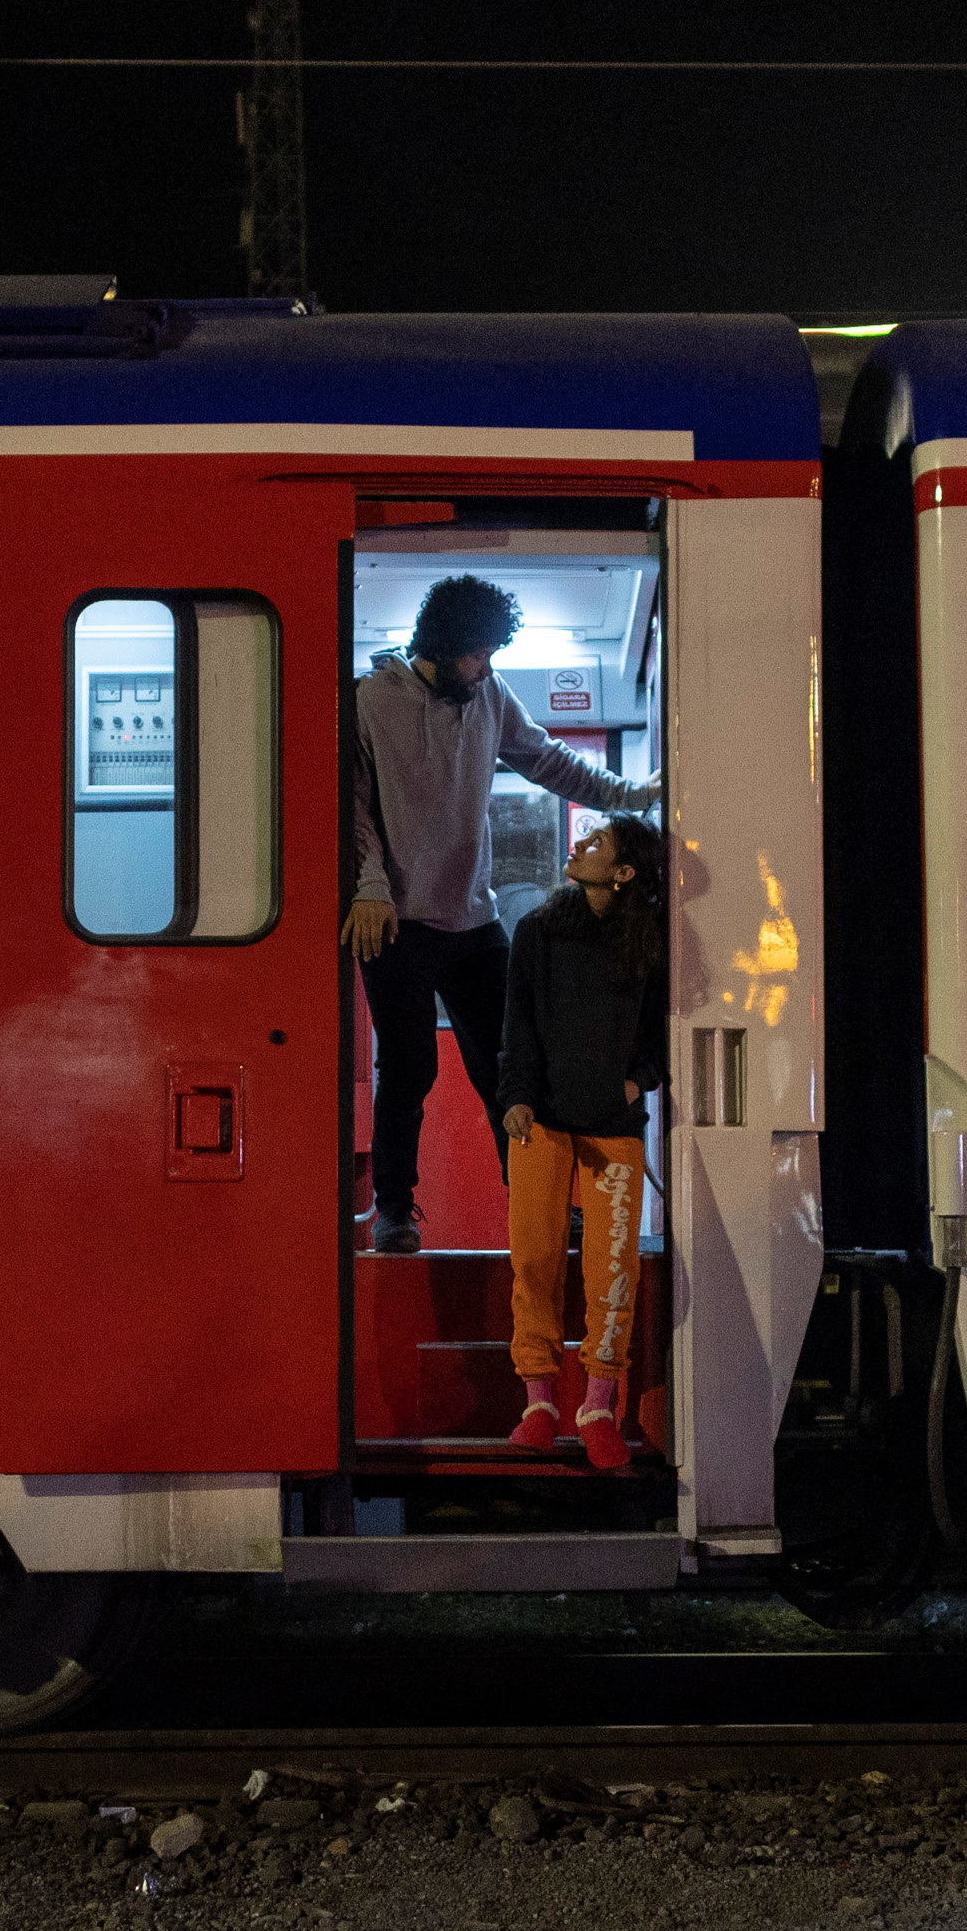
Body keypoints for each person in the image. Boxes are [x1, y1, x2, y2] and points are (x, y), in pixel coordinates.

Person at [348, 575, 659, 1253]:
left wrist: (630, 795)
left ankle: (537, 1198)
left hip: (471, 917)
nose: (487, 667)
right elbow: (354, 807)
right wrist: (369, 887)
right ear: (443, 645)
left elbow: (546, 760)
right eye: (479, 654)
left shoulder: (488, 695)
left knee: (510, 1064)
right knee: (409, 1068)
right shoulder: (371, 700)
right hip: (397, 920)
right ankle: (394, 1211)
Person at [499, 813, 671, 1471]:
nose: (580, 844)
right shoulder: (538, 931)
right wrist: (515, 1098)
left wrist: (634, 1083)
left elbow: (661, 1035)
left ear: (623, 873)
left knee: (613, 1271)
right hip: (541, 1121)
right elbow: (517, 1027)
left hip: (613, 1126)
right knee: (535, 1258)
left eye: (597, 842)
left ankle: (598, 1405)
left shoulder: (647, 942)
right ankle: (539, 1404)